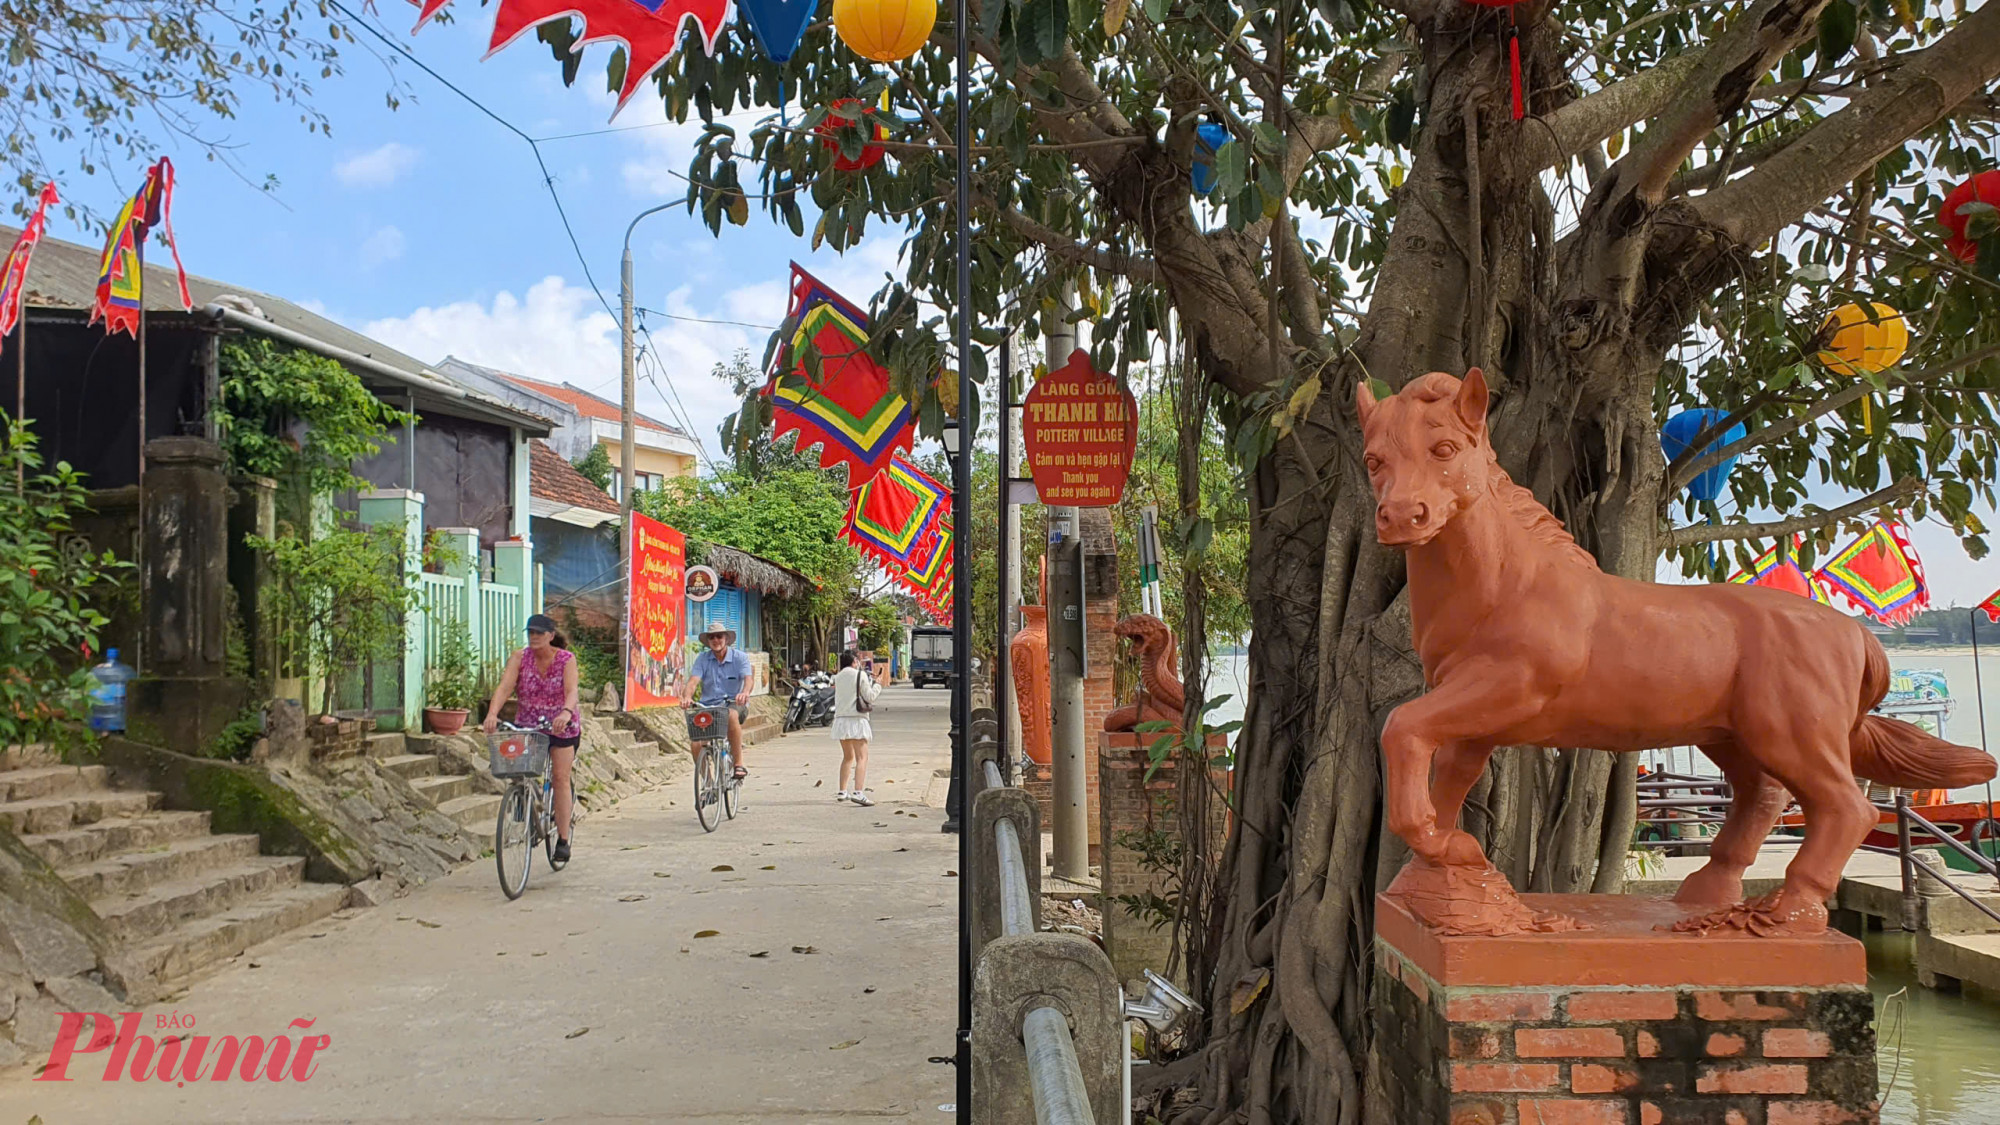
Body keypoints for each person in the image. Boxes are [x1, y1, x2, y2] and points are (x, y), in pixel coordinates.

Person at [483, 614, 582, 863]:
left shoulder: (565, 659)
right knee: (515, 767)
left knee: (560, 777)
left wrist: (566, 712)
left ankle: (562, 839)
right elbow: (505, 686)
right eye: (531, 633)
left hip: (561, 726)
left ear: (550, 636)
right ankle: (523, 797)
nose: (534, 637)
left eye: (539, 633)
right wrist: (492, 714)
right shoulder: (520, 657)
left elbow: (572, 691)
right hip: (529, 725)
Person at [688, 622, 754, 778]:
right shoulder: (702, 659)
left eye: (719, 636)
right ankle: (708, 782)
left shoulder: (740, 658)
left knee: (731, 715)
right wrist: (686, 697)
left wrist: (744, 693)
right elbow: (692, 682)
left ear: (726, 639)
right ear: (708, 641)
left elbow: (748, 680)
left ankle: (738, 765)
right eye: (712, 637)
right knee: (696, 744)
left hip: (734, 704)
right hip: (708, 707)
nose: (716, 640)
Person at [832, 650, 887, 806]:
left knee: (847, 757)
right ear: (854, 661)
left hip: (841, 721)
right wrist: (877, 684)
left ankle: (842, 791)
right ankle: (858, 792)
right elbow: (869, 697)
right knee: (862, 757)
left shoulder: (838, 677)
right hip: (857, 720)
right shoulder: (859, 675)